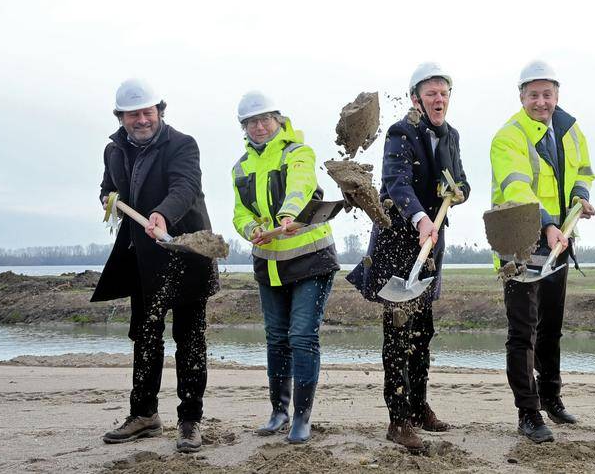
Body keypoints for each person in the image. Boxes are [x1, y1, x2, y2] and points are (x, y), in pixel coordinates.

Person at [346, 62, 470, 452]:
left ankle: (419, 405)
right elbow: (395, 183)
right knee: (398, 336)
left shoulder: (451, 136)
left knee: (423, 333)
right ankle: (398, 420)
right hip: (399, 246)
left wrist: (459, 192)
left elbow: (462, 180)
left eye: (444, 93)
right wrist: (420, 218)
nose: (439, 99)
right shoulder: (400, 133)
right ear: (416, 98)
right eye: (431, 93)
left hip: (430, 250)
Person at [94, 78, 218, 453]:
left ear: (159, 111)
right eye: (134, 114)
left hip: (184, 254)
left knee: (189, 341)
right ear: (121, 117)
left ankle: (190, 421)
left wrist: (162, 213)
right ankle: (144, 414)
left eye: (148, 112)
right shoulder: (114, 151)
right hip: (142, 262)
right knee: (145, 338)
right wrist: (108, 198)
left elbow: (185, 187)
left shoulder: (182, 144)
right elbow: (107, 187)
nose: (142, 120)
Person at [490, 60, 595, 444]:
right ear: (521, 97)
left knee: (551, 327)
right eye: (533, 95)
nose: (541, 102)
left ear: (557, 95)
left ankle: (551, 396)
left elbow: (583, 171)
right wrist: (548, 224)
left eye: (547, 94)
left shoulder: (571, 130)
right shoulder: (509, 136)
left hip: (558, 240)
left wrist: (580, 197)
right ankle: (528, 412)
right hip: (519, 241)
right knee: (523, 331)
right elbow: (517, 189)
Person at [230, 91, 339, 444]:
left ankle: (302, 418)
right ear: (244, 127)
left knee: (302, 337)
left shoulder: (298, 152)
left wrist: (289, 214)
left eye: (265, 119)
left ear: (278, 120)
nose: (259, 127)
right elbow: (240, 213)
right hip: (270, 266)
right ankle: (278, 411)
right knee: (276, 339)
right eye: (251, 122)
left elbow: (301, 185)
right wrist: (251, 229)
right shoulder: (240, 168)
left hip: (310, 259)